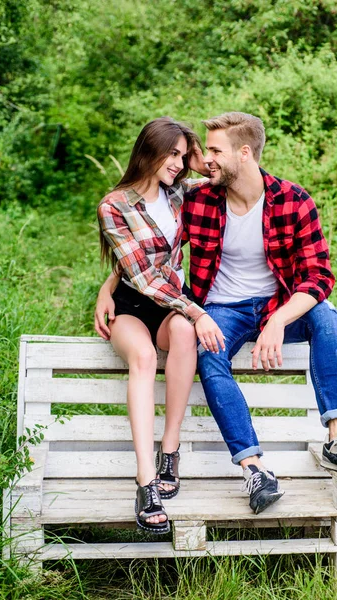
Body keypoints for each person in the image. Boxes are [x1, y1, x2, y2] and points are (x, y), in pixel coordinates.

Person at [97, 111, 337, 517]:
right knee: (209, 351)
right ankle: (254, 469)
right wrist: (108, 287)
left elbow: (319, 276)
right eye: (203, 151)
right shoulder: (197, 199)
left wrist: (278, 320)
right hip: (223, 308)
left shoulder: (293, 201)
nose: (206, 159)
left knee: (325, 316)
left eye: (214, 151)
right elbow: (151, 251)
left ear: (245, 154)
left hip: (277, 306)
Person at [96, 117, 224, 534]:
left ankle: (171, 451)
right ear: (149, 151)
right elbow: (144, 276)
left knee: (184, 333)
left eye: (183, 155)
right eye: (173, 154)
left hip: (170, 305)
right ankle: (146, 479)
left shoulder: (178, 194)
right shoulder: (114, 205)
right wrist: (196, 309)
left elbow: (219, 174)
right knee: (147, 355)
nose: (180, 163)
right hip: (132, 307)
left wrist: (196, 154)